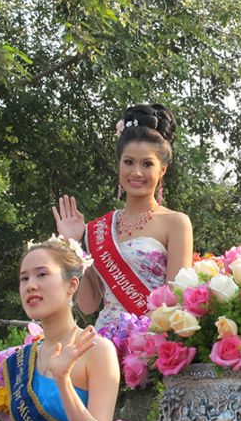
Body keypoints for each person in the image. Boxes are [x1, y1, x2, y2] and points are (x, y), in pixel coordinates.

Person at [53, 104, 193, 328]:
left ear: (162, 169)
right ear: (119, 164)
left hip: (150, 343)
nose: (136, 172)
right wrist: (73, 244)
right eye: (128, 162)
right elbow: (88, 305)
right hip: (103, 343)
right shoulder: (98, 229)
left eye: (147, 164)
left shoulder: (176, 223)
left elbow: (177, 302)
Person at [4, 236, 120, 421]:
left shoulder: (97, 350)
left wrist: (63, 379)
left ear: (72, 285)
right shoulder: (22, 361)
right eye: (24, 279)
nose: (31, 285)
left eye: (41, 274)